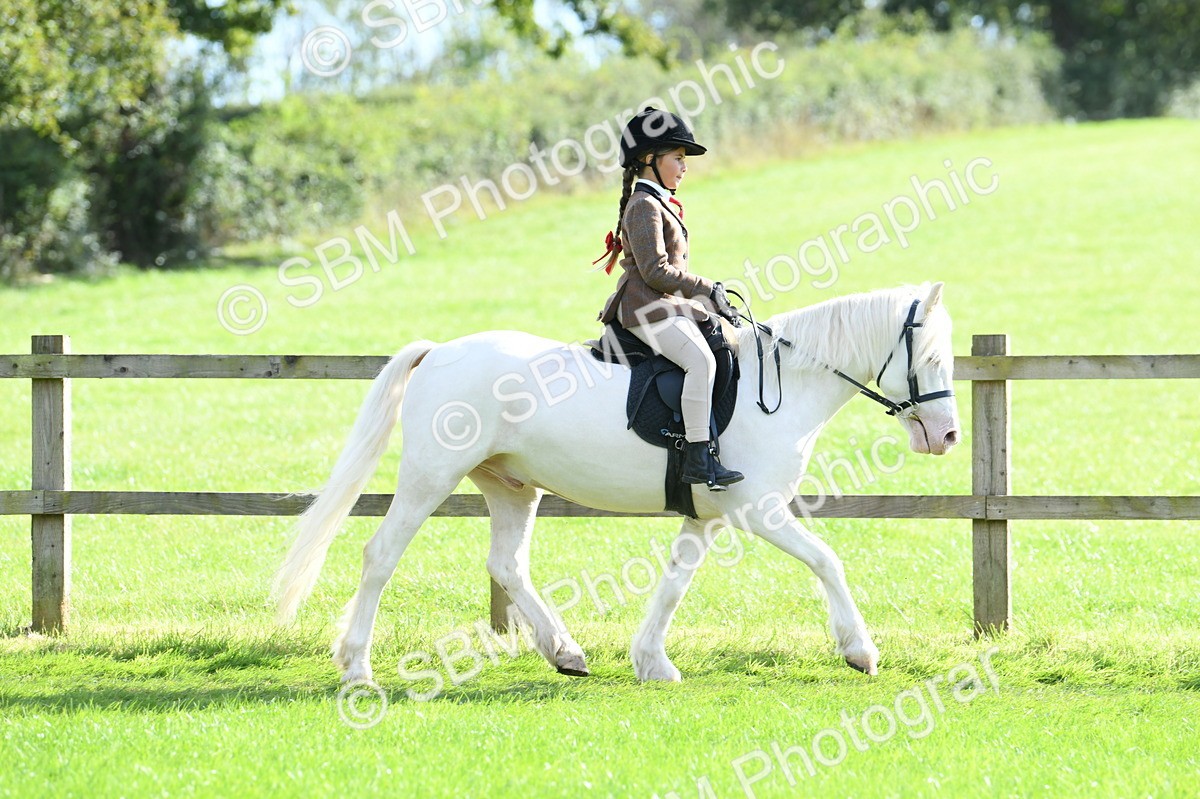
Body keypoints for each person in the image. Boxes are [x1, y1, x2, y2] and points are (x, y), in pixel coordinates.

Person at [594, 107, 744, 489]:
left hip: (660, 304)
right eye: (677, 158)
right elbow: (656, 272)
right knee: (700, 361)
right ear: (649, 159)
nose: (684, 166)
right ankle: (697, 457)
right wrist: (707, 289)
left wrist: (706, 301)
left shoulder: (657, 201)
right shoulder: (643, 205)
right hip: (644, 309)